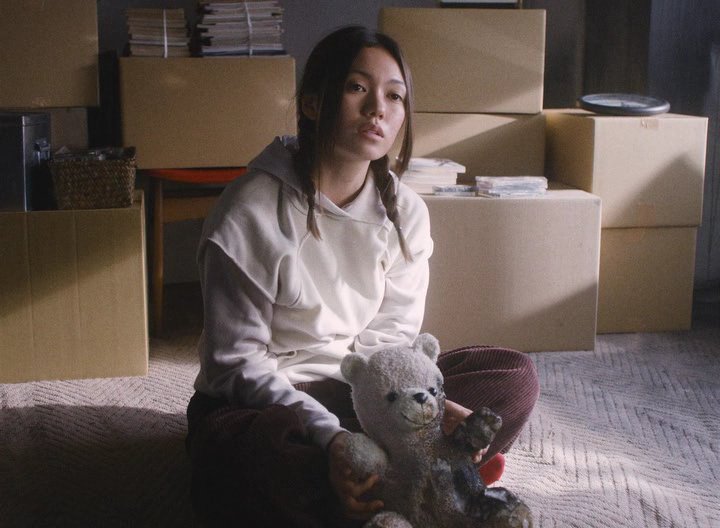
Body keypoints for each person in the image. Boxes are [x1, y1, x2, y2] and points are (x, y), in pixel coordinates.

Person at [185, 25, 539, 528]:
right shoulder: (248, 212)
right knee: (244, 456)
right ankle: (425, 486)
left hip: (369, 392)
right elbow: (234, 365)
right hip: (271, 399)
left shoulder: (406, 212)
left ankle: (385, 485)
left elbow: (393, 338)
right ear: (313, 103)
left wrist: (425, 405)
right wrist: (333, 440)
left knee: (512, 378)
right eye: (357, 88)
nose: (378, 109)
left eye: (394, 96)